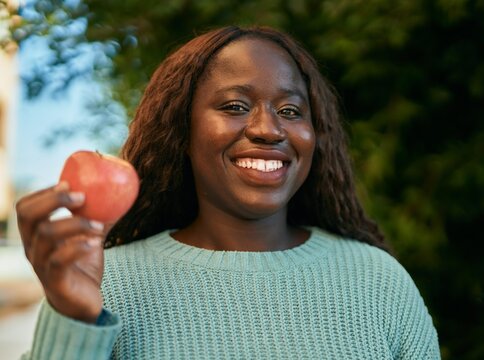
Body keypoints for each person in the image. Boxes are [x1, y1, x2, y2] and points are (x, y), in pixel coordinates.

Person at [17, 26, 441, 359]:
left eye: (290, 111)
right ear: (182, 131)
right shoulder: (109, 284)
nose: (268, 129)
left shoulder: (378, 281)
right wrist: (74, 320)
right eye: (235, 106)